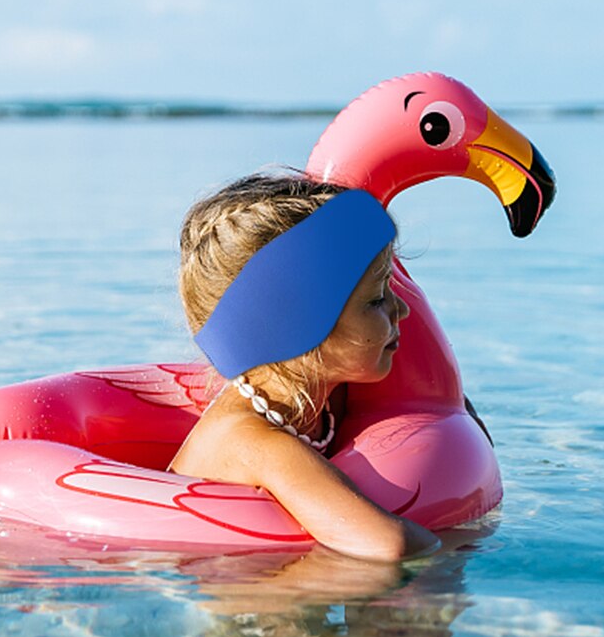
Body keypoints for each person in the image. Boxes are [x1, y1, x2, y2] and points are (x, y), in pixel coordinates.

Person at [168, 172, 441, 561]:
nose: (403, 309)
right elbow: (387, 545)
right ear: (300, 327)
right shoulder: (253, 444)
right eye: (377, 298)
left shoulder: (328, 401)